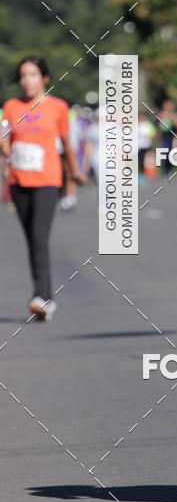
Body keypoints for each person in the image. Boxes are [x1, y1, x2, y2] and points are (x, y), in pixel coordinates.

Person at [1, 57, 87, 320]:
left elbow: (66, 144)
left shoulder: (58, 108)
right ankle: (46, 297)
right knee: (32, 241)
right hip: (18, 181)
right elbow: (6, 140)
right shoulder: (11, 107)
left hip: (48, 181)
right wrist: (4, 146)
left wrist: (74, 172)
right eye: (23, 75)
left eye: (33, 74)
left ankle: (40, 296)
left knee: (39, 238)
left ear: (45, 78)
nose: (27, 80)